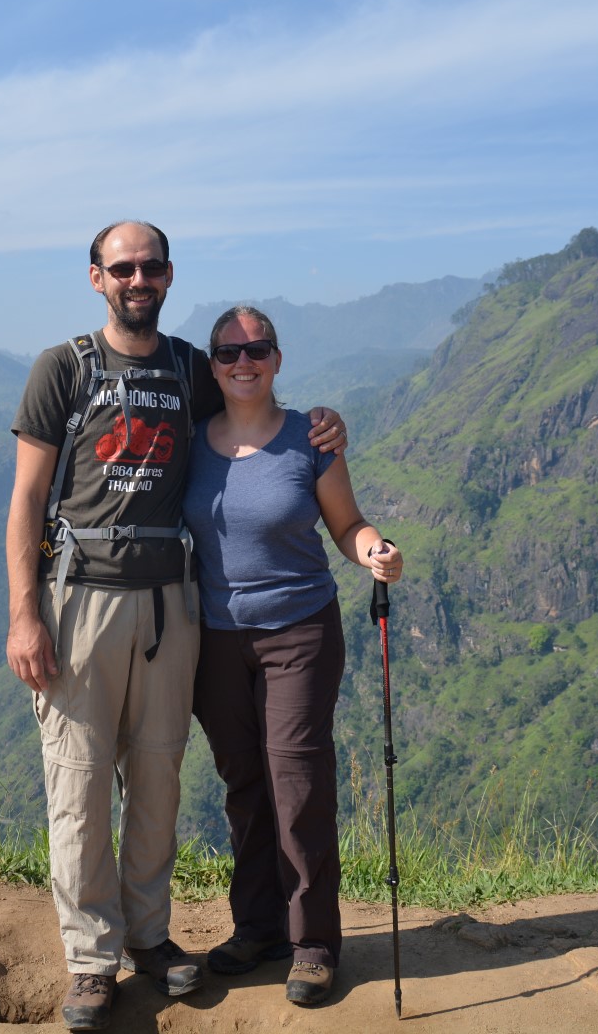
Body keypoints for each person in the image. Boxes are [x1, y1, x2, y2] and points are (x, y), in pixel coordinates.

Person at [5, 223, 347, 1031]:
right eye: (121, 267)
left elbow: (252, 410)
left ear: (166, 275)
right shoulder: (64, 368)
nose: (137, 277)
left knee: (158, 777)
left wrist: (324, 427)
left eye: (150, 265)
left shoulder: (191, 367)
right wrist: (24, 613)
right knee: (80, 784)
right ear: (97, 277)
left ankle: (151, 940)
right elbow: (25, 498)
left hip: (173, 602)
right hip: (81, 595)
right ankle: (92, 960)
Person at [184, 305, 403, 1008]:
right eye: (228, 352)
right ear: (211, 366)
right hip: (214, 640)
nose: (243, 363)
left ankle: (313, 943)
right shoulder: (190, 443)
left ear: (278, 360)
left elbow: (347, 523)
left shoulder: (312, 439)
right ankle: (258, 927)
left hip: (298, 634)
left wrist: (374, 552)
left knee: (297, 783)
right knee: (244, 784)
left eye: (258, 350)